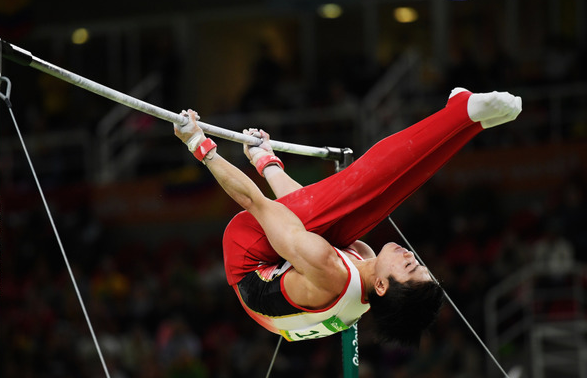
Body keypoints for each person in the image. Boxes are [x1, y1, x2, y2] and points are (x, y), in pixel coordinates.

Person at [174, 88, 522, 346]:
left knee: (362, 185)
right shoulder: (367, 263)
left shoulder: (330, 269)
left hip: (247, 264)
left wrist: (199, 145)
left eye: (411, 267)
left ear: (383, 286)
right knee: (372, 200)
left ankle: (461, 114)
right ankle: (468, 124)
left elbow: (257, 204)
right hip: (295, 278)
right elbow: (308, 206)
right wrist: (266, 160)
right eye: (419, 263)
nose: (411, 256)